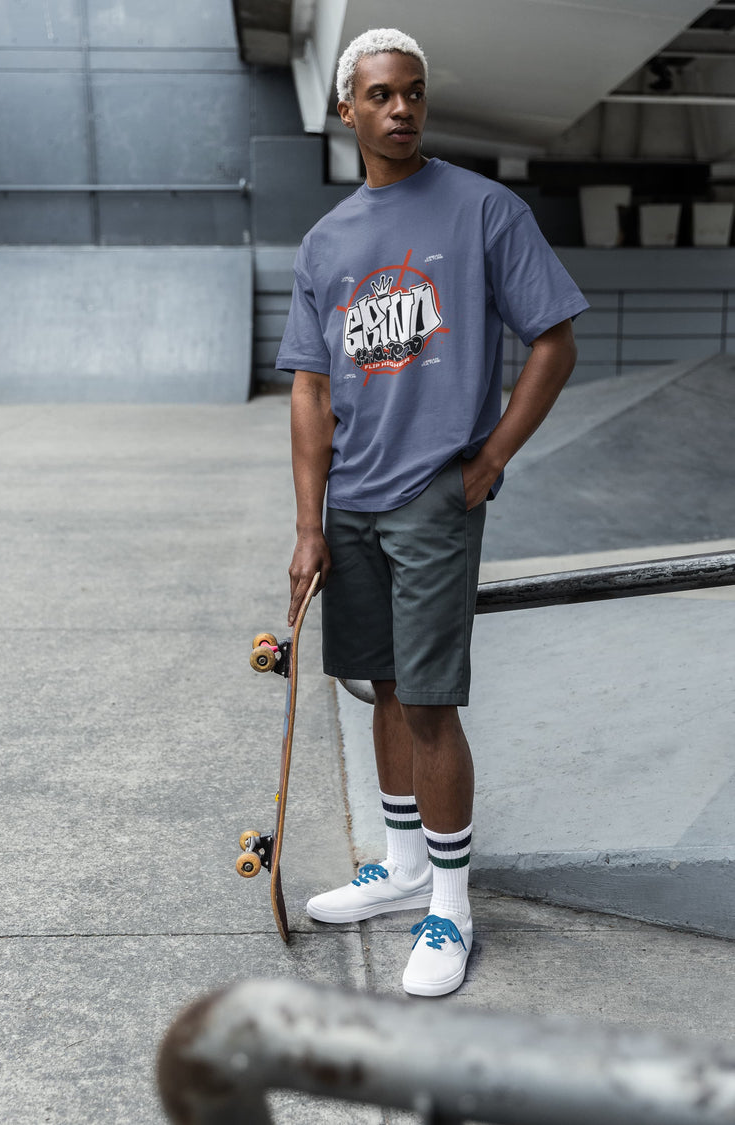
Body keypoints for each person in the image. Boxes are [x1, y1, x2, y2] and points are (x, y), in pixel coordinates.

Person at [276, 27, 588, 997]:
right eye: (380, 95)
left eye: (413, 92)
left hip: (433, 496)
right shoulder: (327, 243)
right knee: (377, 685)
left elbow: (554, 341)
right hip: (353, 502)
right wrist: (308, 522)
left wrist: (492, 456)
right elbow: (310, 393)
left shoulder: (483, 209)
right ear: (348, 111)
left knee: (429, 698)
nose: (401, 108)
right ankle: (402, 868)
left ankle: (449, 908)